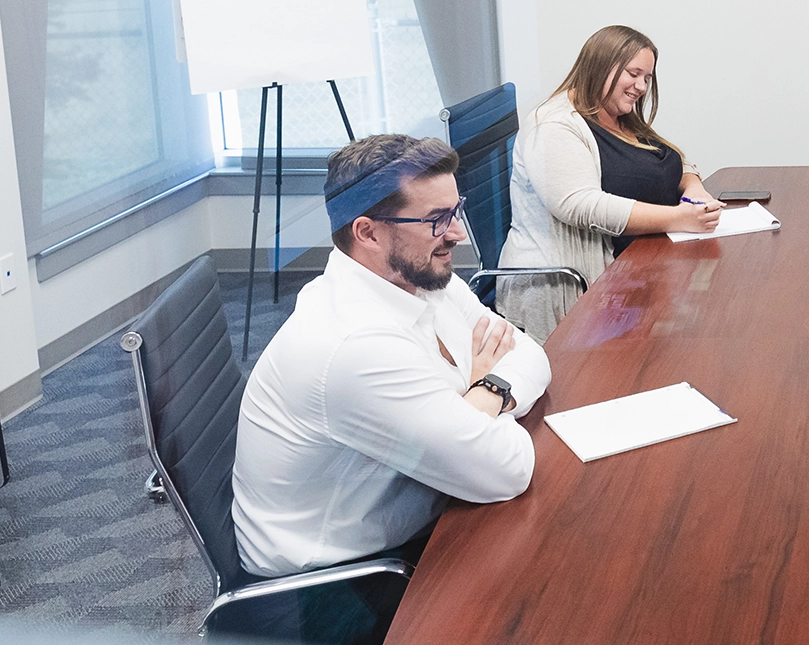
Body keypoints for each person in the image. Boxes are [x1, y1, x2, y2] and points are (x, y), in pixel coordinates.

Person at [228, 134, 551, 642]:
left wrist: (478, 398)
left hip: (413, 517)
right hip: (328, 593)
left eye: (456, 210)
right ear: (368, 233)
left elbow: (530, 354)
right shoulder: (355, 345)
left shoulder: (420, 279)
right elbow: (506, 468)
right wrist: (486, 395)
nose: (459, 233)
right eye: (437, 220)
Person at [498, 25, 723, 343]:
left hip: (635, 267)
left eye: (647, 78)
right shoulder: (553, 125)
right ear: (602, 65)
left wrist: (692, 187)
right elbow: (579, 205)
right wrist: (678, 219)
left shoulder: (618, 116)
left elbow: (665, 158)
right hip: (570, 286)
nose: (642, 86)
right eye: (634, 74)